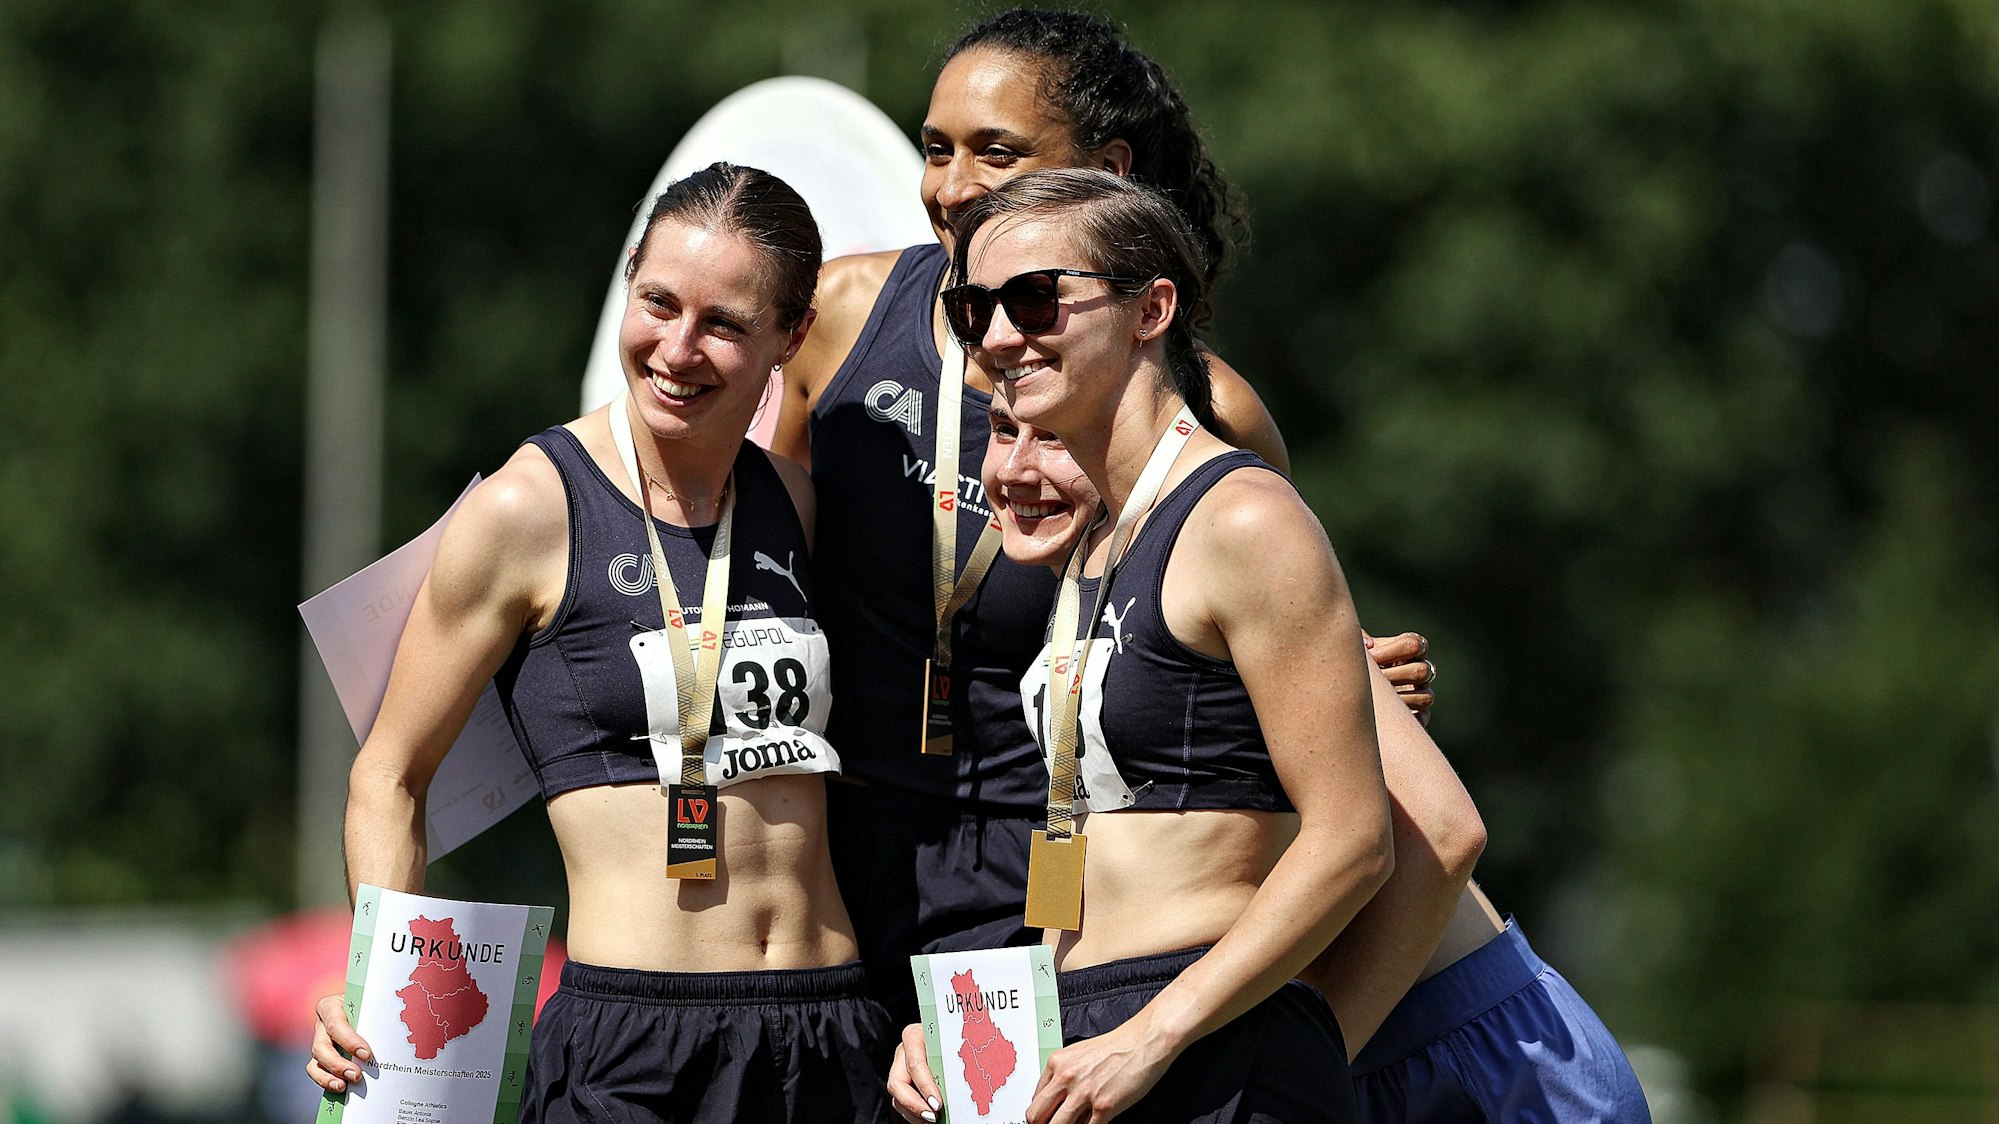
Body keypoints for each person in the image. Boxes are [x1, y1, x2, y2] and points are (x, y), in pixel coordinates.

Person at [767, 6, 1442, 1023]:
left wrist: (1328, 679)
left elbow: (1247, 631)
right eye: (936, 148)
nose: (953, 186)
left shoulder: (1212, 412)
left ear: (1110, 167)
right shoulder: (839, 321)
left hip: (1047, 882)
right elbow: (751, 569)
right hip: (830, 859)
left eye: (997, 151)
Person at [305, 163, 893, 1123]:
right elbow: (390, 775)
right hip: (636, 1043)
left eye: (725, 324)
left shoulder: (793, 500)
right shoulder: (526, 509)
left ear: (788, 339)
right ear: (627, 281)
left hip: (828, 1028)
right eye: (658, 302)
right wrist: (371, 974)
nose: (678, 347)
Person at [964, 397, 1653, 1122]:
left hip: (1464, 1056)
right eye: (1003, 429)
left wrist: (1303, 1062)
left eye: (1063, 438)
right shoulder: (1090, 601)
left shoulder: (1241, 572)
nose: (1015, 470)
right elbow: (1072, 854)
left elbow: (1444, 838)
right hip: (1322, 1042)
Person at [897, 165, 1398, 1123]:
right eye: (972, 310)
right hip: (1092, 1034)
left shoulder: (1242, 518)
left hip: (1212, 1042)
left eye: (1035, 300)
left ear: (1150, 309)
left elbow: (1354, 840)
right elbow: (1093, 851)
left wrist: (1157, 1033)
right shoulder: (1093, 540)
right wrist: (971, 1022)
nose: (1000, 336)